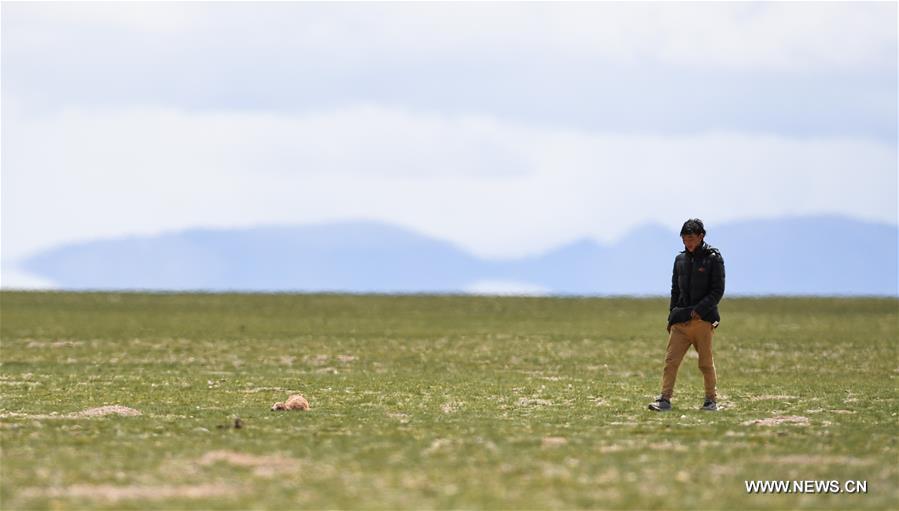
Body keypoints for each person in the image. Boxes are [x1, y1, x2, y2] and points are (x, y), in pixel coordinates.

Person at [648, 218, 725, 412]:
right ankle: (664, 400)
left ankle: (710, 400)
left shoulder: (713, 258)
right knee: (670, 362)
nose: (688, 243)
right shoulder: (680, 259)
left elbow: (717, 291)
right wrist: (671, 317)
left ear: (701, 236)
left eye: (691, 239)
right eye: (684, 239)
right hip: (680, 322)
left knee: (705, 363)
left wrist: (698, 311)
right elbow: (675, 290)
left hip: (702, 321)